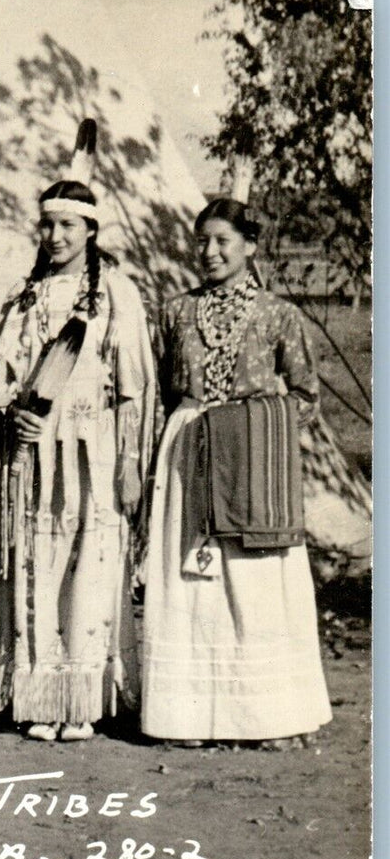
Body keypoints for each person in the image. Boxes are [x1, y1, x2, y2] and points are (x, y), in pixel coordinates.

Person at [139, 198, 331, 748]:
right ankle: (186, 718)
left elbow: (306, 398)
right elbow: (161, 393)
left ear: (250, 245)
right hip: (188, 454)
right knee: (189, 584)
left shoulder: (277, 315)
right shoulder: (176, 312)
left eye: (223, 240)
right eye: (203, 241)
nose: (211, 251)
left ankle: (268, 718)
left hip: (252, 461)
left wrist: (251, 428)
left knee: (253, 584)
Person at [0, 179, 156, 742]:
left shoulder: (116, 294)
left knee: (90, 560)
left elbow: (133, 388)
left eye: (68, 226)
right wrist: (15, 418)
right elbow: (0, 380)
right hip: (34, 449)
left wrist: (130, 462)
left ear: (89, 231)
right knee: (38, 556)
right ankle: (39, 696)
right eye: (48, 225)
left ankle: (80, 699)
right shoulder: (23, 295)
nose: (55, 236)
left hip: (93, 444)